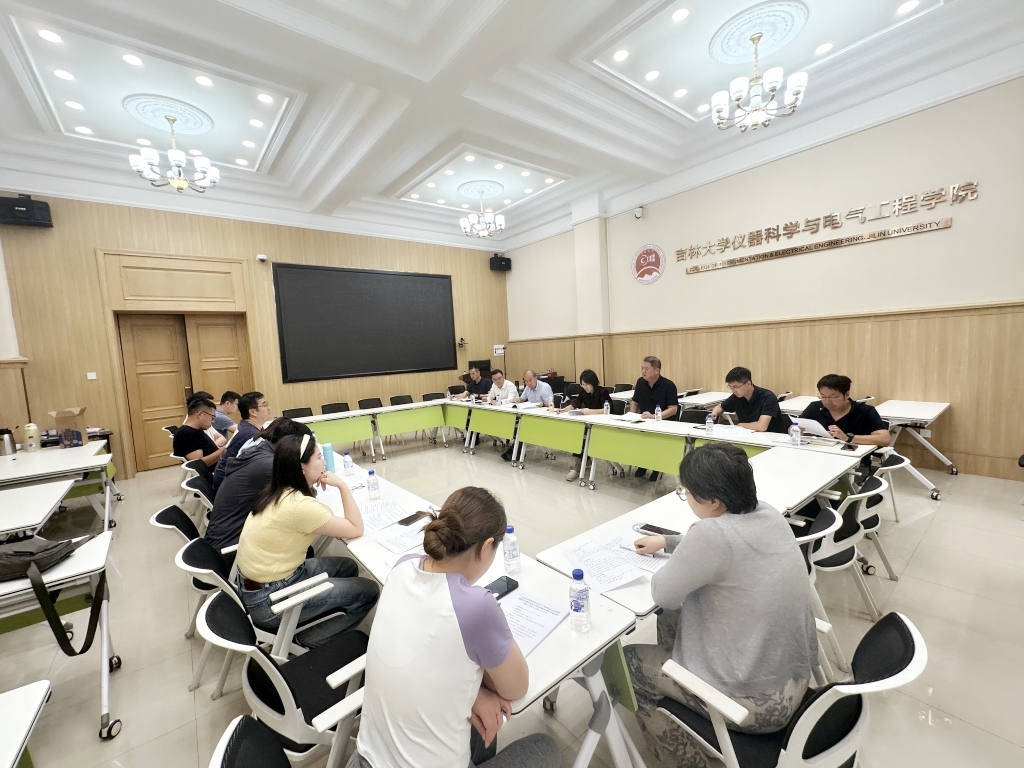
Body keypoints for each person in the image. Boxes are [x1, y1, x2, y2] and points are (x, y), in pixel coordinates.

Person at [625, 443, 817, 768]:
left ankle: (687, 761)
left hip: (751, 706)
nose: (686, 497)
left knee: (629, 662)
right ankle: (681, 692)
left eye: (687, 492)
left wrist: (676, 556)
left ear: (713, 501)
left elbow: (663, 594)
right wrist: (669, 542)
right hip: (795, 680)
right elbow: (725, 545)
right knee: (675, 615)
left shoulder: (710, 533)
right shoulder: (768, 513)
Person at [348, 487, 559, 768]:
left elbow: (420, 654)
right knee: (546, 747)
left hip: (364, 758)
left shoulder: (402, 566)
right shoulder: (476, 607)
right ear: (486, 547)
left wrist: (475, 694)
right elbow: (516, 688)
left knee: (479, 724)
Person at [235, 434, 380, 648]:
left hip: (259, 585)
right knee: (369, 591)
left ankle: (325, 613)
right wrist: (342, 486)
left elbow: (323, 513)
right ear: (302, 467)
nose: (324, 462)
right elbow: (356, 528)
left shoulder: (278, 491)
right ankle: (307, 641)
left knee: (347, 566)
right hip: (270, 600)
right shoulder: (299, 506)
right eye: (319, 457)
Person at [205, 417, 309, 555]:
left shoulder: (260, 450)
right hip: (231, 549)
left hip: (222, 539)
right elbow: (304, 497)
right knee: (302, 539)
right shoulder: (269, 464)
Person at [800, 374, 890, 447]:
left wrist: (847, 437)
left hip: (855, 458)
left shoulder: (865, 411)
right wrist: (796, 430)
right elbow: (796, 426)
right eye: (823, 396)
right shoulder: (815, 407)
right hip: (820, 453)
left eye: (833, 397)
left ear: (847, 395)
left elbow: (885, 439)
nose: (827, 401)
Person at [630, 356, 678, 481]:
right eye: (642, 368)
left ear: (657, 370)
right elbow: (634, 402)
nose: (643, 371)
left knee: (655, 442)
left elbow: (673, 409)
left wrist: (654, 416)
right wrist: (630, 417)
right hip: (643, 422)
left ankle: (657, 468)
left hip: (663, 424)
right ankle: (643, 464)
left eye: (646, 369)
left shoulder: (668, 385)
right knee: (640, 441)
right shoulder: (640, 382)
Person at [559, 369, 612, 481]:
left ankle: (577, 467)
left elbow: (608, 409)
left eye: (586, 384)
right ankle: (583, 463)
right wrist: (564, 409)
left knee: (582, 437)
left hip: (602, 425)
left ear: (593, 382)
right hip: (589, 424)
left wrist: (590, 411)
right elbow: (576, 403)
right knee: (577, 434)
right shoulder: (584, 392)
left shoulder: (603, 392)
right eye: (582, 385)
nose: (584, 387)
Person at [212, 391, 271, 490]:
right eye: (264, 405)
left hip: (227, 477)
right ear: (253, 412)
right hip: (228, 484)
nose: (268, 408)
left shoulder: (245, 425)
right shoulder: (251, 435)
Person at [711, 367, 791, 434]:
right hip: (748, 435)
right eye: (730, 387)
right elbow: (720, 407)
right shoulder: (737, 396)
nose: (733, 390)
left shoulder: (768, 397)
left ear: (748, 384)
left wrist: (740, 425)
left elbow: (761, 427)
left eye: (736, 387)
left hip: (770, 438)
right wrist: (715, 413)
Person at [173, 396, 227, 484]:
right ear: (200, 414)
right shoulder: (187, 434)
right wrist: (224, 450)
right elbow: (199, 464)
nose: (213, 421)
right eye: (212, 417)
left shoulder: (195, 431)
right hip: (219, 475)